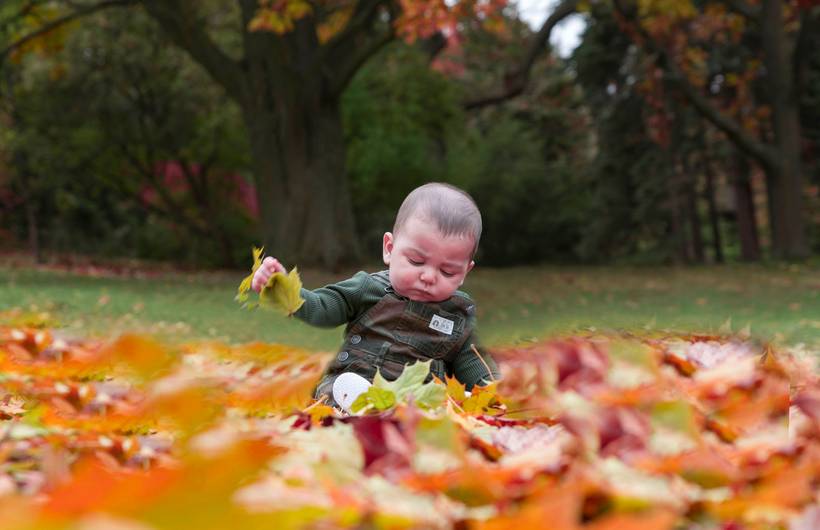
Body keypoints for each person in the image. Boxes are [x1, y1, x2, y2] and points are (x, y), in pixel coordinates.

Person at [251, 182, 500, 410]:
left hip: (414, 402)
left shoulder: (457, 314)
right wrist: (286, 290)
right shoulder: (367, 288)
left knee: (438, 407)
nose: (428, 276)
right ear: (390, 249)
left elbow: (473, 363)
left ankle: (394, 418)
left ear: (465, 272)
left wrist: (494, 394)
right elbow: (322, 307)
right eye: (415, 261)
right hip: (353, 384)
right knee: (337, 390)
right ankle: (363, 410)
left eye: (447, 271)